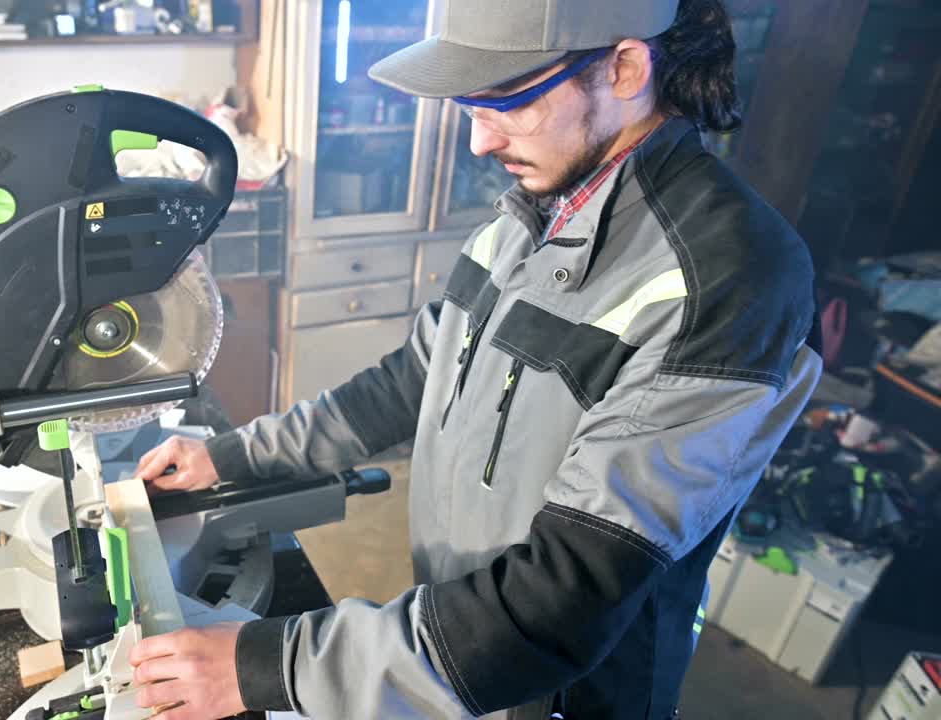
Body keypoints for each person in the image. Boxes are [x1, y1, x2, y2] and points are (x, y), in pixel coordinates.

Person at [126, 0, 823, 717]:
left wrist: (269, 665)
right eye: (468, 106)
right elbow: (409, 383)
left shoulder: (729, 277)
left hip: (558, 688)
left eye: (506, 102)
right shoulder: (527, 217)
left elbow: (563, 595)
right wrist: (232, 457)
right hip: (447, 637)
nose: (478, 143)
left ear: (624, 68)